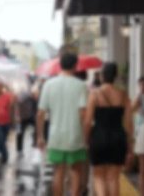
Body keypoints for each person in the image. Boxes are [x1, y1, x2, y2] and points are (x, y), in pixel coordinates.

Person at [37, 53, 88, 196]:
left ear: (60, 65)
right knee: (76, 170)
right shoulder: (81, 86)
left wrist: (40, 136)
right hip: (75, 135)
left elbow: (40, 113)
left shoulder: (48, 84)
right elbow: (83, 113)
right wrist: (86, 136)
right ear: (75, 66)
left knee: (58, 171)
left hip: (55, 136)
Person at [84, 62, 133, 196]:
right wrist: (130, 146)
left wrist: (86, 139)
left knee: (98, 177)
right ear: (115, 76)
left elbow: (88, 121)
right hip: (118, 137)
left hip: (98, 137)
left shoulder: (94, 94)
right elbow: (129, 123)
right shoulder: (123, 95)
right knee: (113, 178)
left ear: (101, 76)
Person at [16, 90, 36, 158]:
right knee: (20, 134)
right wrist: (18, 117)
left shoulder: (32, 100)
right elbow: (17, 109)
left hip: (29, 117)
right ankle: (19, 150)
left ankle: (34, 142)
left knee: (36, 129)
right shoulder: (20, 100)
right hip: (22, 118)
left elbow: (34, 108)